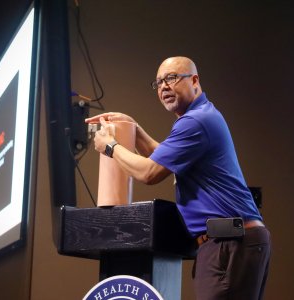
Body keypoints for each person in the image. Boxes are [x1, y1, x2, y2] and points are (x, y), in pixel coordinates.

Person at [85, 56, 271, 300]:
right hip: (231, 243)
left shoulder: (195, 121)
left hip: (230, 245)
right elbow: (164, 162)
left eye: (172, 78)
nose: (164, 86)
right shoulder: (201, 116)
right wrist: (135, 128)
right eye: (159, 82)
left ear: (194, 80)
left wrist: (110, 146)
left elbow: (149, 172)